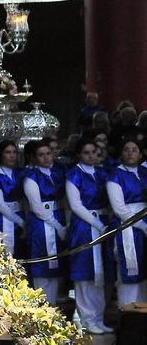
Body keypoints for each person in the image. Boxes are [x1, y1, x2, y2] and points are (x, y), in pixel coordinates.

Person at [66, 138, 114, 333]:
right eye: (86, 153)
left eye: (94, 152)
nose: (91, 156)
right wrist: (97, 224)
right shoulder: (74, 175)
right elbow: (76, 205)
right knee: (86, 274)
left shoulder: (103, 174)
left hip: (103, 223)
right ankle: (87, 318)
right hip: (84, 227)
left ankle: (98, 317)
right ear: (79, 154)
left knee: (101, 275)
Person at [22, 140, 68, 305]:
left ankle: (54, 305)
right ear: (35, 158)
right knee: (43, 264)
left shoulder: (57, 173)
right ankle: (43, 305)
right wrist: (58, 226)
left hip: (58, 216)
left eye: (48, 154)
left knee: (56, 266)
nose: (46, 158)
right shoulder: (31, 177)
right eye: (41, 155)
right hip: (42, 223)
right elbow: (37, 207)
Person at [107, 138, 147, 308]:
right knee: (129, 273)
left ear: (140, 154)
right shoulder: (115, 175)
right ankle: (127, 316)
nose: (130, 153)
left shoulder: (144, 172)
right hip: (128, 226)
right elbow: (119, 208)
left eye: (134, 150)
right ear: (121, 153)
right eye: (126, 149)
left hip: (144, 224)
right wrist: (143, 226)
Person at [0, 140, 24, 253]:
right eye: (8, 152)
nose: (12, 155)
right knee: (6, 253)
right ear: (1, 154)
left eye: (14, 152)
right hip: (4, 220)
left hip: (21, 214)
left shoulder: (20, 173)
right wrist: (21, 222)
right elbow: (0, 206)